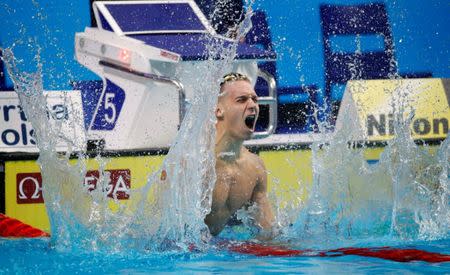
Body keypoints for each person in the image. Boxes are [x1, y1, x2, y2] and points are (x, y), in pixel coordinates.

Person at [204, 72, 275, 238]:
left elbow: (268, 234)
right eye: (241, 100)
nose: (252, 105)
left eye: (254, 99)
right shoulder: (194, 163)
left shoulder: (255, 168)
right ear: (218, 110)